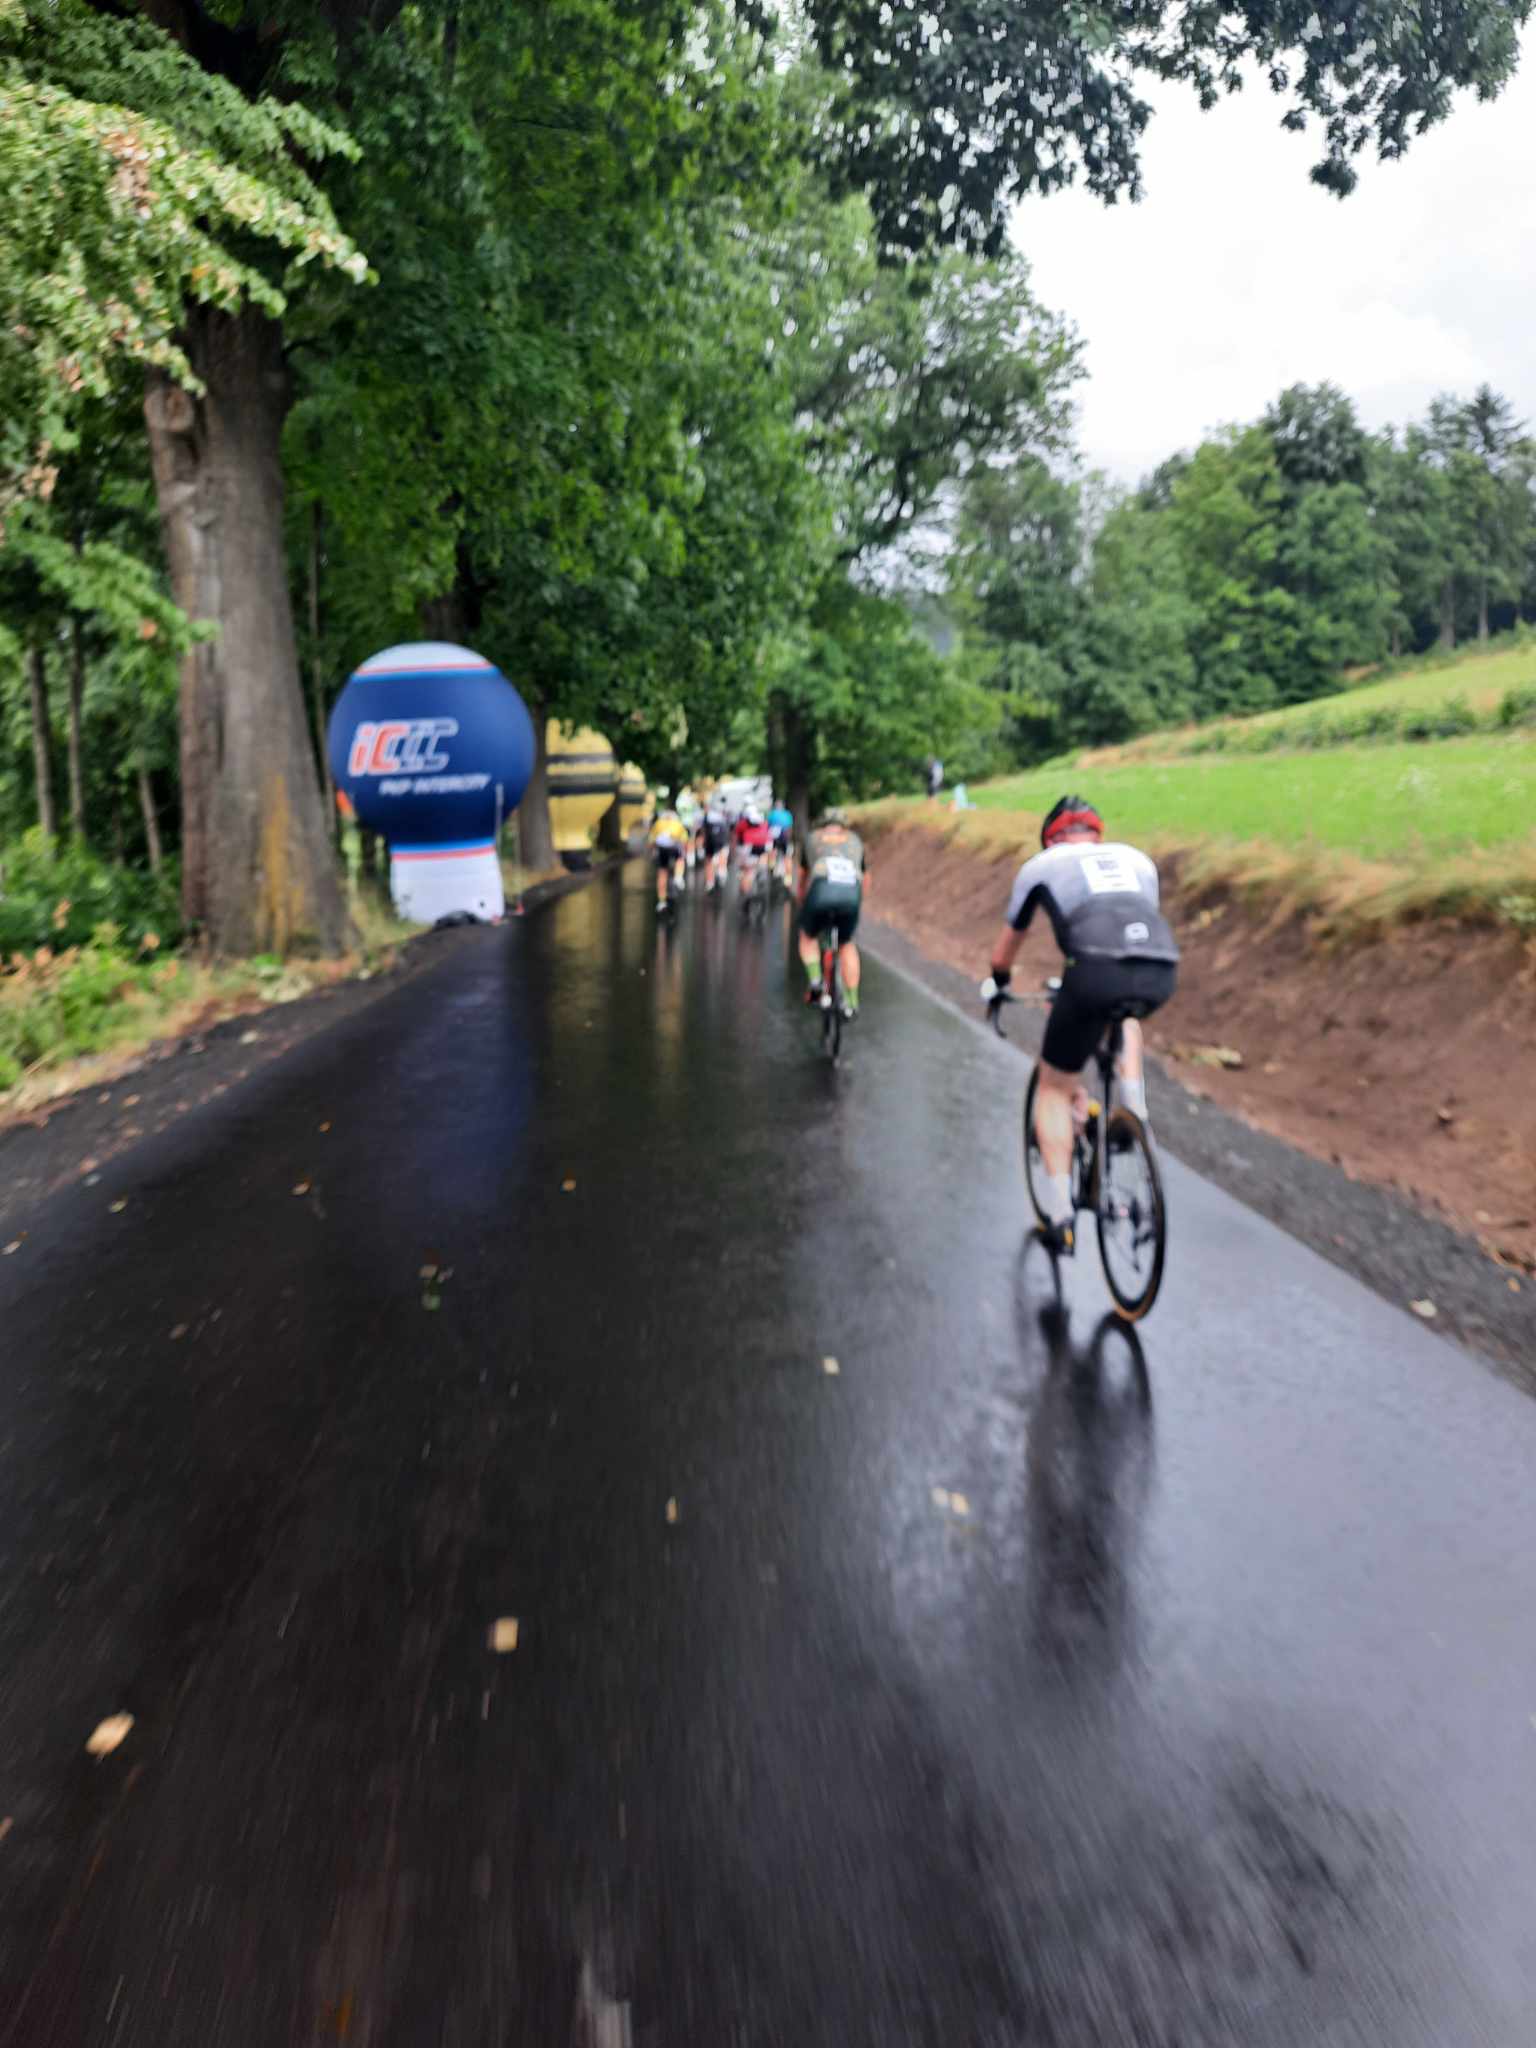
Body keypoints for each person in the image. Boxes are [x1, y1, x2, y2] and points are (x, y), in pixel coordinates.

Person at [981, 794, 1179, 1254]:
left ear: (1050, 839)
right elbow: (1131, 929)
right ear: (1097, 834)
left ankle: (1058, 1216)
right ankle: (1132, 1111)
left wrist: (999, 983)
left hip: (1092, 969)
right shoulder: (1138, 861)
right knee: (1123, 1014)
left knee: (1053, 1087)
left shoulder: (1041, 866)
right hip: (1159, 965)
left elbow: (1005, 949)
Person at [798, 807, 866, 1017]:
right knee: (847, 944)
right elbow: (865, 876)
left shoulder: (813, 838)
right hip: (851, 891)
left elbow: (803, 875)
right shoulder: (855, 840)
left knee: (807, 936)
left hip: (821, 888)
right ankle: (852, 1002)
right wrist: (858, 901)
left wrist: (802, 900)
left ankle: (816, 980)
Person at [648, 803, 689, 912]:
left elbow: (651, 840)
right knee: (680, 859)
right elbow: (684, 840)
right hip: (674, 847)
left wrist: (652, 851)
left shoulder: (658, 823)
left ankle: (661, 901)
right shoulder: (677, 822)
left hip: (662, 849)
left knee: (662, 873)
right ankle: (678, 876)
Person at [733, 803, 773, 908]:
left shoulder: (743, 825)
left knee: (747, 871)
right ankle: (759, 876)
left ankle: (746, 894)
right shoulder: (763, 823)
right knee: (755, 867)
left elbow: (737, 838)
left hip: (749, 849)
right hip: (762, 849)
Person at [700, 792, 731, 892]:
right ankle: (721, 872)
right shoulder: (724, 814)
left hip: (710, 842)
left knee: (709, 861)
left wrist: (702, 843)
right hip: (722, 841)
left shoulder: (707, 815)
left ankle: (710, 882)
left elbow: (703, 830)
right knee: (722, 856)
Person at [767, 796, 794, 881]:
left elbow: (768, 826)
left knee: (773, 851)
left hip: (774, 837)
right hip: (785, 837)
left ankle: (771, 867)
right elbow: (790, 827)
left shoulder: (772, 814)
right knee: (787, 856)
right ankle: (788, 877)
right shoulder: (787, 814)